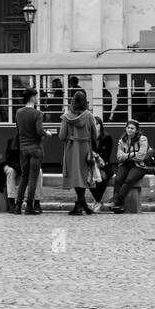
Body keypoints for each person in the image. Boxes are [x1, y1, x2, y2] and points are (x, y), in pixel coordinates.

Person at [59, 87, 97, 216]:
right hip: (85, 148)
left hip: (71, 148)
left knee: (76, 176)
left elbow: (61, 136)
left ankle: (81, 204)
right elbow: (95, 135)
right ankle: (82, 204)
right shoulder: (89, 115)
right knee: (83, 176)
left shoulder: (66, 117)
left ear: (73, 102)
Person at [14, 86, 45, 215]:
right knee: (33, 178)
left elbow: (18, 130)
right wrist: (46, 133)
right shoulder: (38, 114)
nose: (37, 98)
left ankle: (17, 206)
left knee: (24, 177)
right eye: (36, 96)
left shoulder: (18, 113)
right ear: (32, 97)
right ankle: (29, 207)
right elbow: (39, 131)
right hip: (35, 149)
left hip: (23, 148)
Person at [111, 119, 150, 213]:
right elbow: (119, 157)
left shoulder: (143, 139)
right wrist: (132, 154)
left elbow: (141, 156)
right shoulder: (122, 140)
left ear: (136, 130)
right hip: (126, 164)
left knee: (129, 180)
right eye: (128, 128)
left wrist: (127, 156)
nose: (129, 130)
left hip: (139, 166)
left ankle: (116, 202)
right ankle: (118, 204)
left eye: (132, 128)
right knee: (118, 179)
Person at [88, 115, 114, 211]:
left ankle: (96, 201)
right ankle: (98, 201)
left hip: (104, 165)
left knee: (102, 179)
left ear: (101, 125)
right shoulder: (89, 138)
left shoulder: (107, 138)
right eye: (93, 124)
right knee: (89, 180)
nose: (95, 126)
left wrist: (98, 161)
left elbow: (107, 156)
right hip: (92, 165)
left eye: (97, 124)